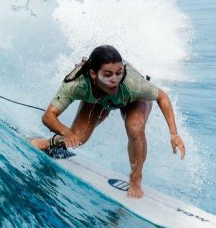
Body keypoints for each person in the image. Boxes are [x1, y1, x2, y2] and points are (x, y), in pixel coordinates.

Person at [31, 45, 186, 198]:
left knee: (135, 128)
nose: (115, 80)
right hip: (99, 101)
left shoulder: (132, 84)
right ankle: (48, 143)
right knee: (78, 138)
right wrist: (67, 132)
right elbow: (48, 116)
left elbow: (162, 97)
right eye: (108, 75)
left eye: (119, 73)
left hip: (133, 100)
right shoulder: (77, 84)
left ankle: (136, 177)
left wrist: (174, 133)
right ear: (93, 74)